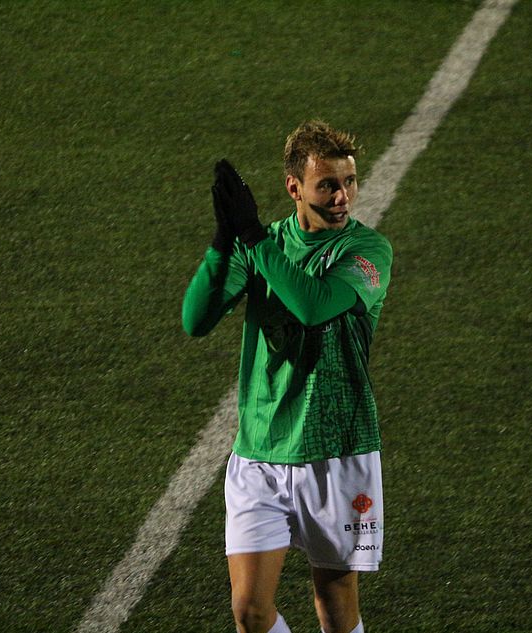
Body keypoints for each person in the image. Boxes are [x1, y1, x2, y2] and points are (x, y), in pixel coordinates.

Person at [182, 120, 393, 633]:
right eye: (328, 185)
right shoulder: (264, 245)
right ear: (294, 187)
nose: (343, 196)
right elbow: (196, 320)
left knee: (334, 604)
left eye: (349, 181)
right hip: (259, 450)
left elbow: (314, 306)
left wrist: (254, 238)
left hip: (337, 449)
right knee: (250, 611)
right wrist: (223, 243)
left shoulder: (367, 251)